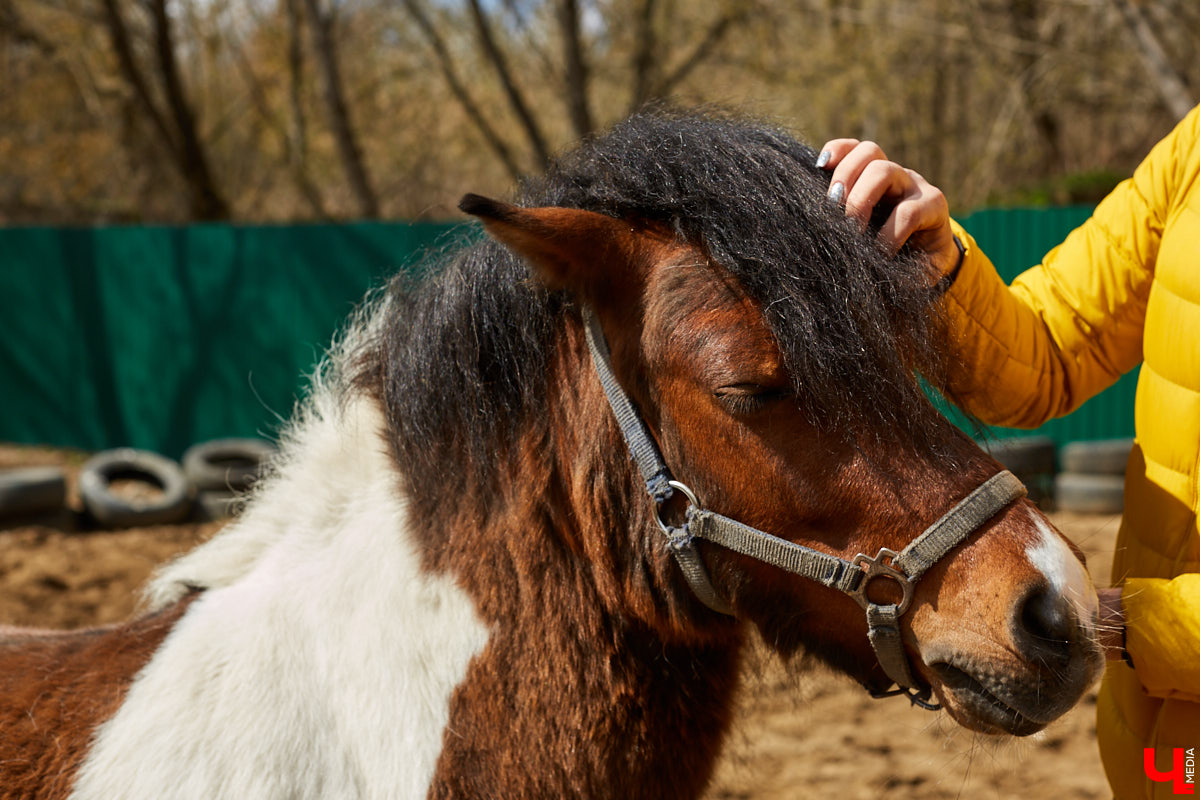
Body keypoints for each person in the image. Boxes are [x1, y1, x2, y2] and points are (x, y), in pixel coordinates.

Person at [817, 105, 1200, 799]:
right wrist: (938, 267)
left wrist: (1129, 622)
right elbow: (1052, 348)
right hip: (1157, 747)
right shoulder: (1196, 150)